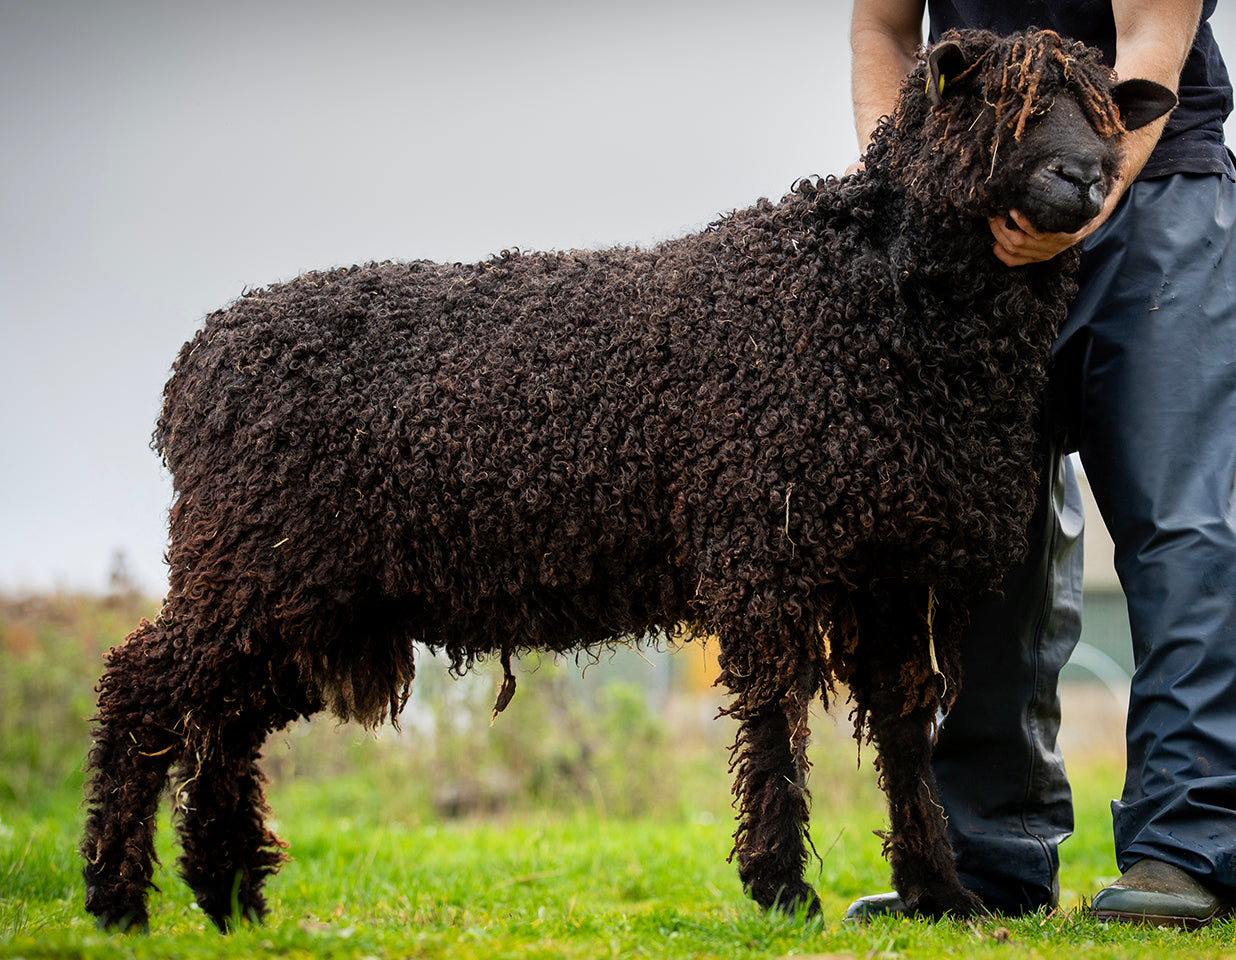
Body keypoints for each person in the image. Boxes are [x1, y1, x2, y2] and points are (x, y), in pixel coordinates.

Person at [844, 0, 1236, 928]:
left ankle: (1190, 847)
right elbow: (883, 33)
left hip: (1151, 191)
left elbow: (1147, 48)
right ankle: (986, 856)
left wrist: (1088, 197)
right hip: (987, 218)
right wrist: (904, 176)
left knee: (1177, 528)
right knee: (986, 539)